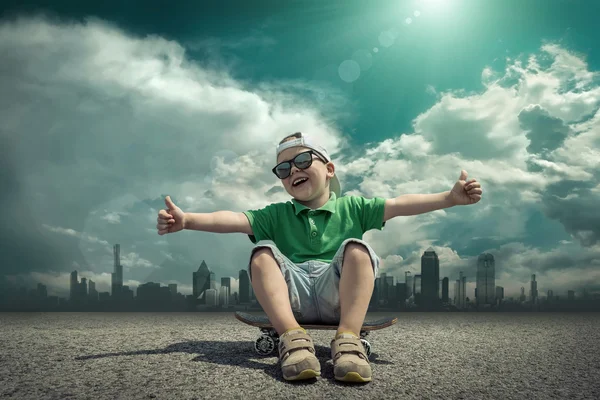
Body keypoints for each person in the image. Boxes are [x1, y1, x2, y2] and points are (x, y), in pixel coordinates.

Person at [156, 131, 483, 383]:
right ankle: (292, 338)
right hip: (293, 298)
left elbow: (401, 203)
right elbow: (232, 219)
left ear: (328, 168)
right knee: (262, 253)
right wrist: (188, 221)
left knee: (357, 248)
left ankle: (349, 340)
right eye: (283, 169)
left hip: (337, 294)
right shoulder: (276, 214)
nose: (292, 171)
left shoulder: (353, 207)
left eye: (301, 161)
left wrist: (449, 198)